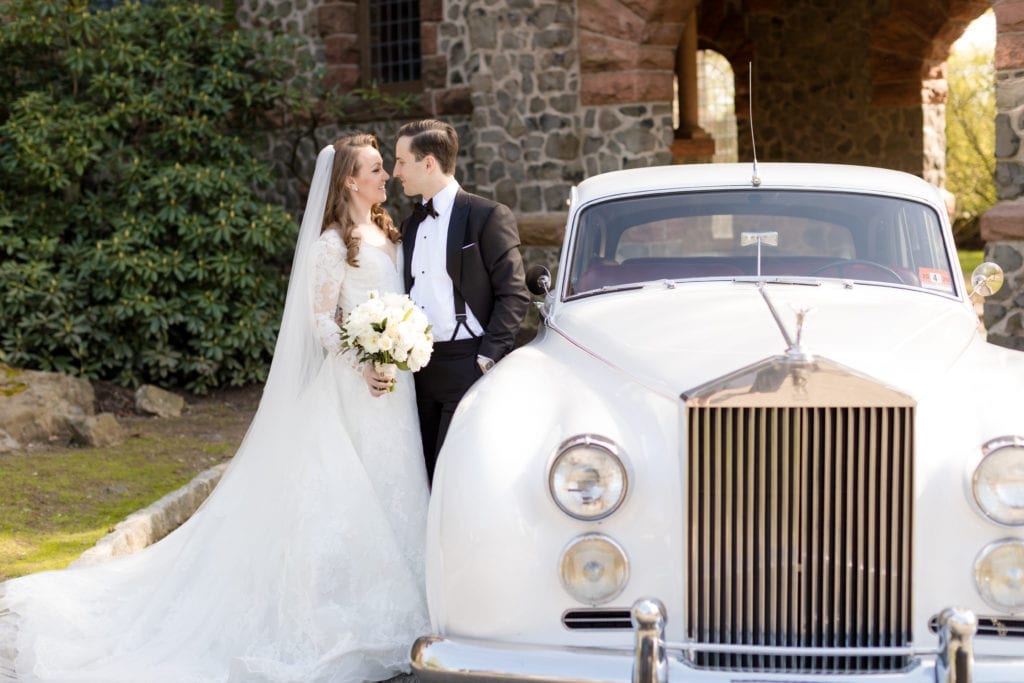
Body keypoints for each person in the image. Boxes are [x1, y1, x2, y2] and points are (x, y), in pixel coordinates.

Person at [0, 135, 430, 682]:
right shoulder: (329, 244)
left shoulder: (388, 230)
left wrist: (398, 346)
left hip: (392, 390)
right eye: (375, 168)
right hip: (352, 386)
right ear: (349, 180)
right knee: (348, 500)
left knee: (393, 484)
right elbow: (322, 320)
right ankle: (347, 608)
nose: (385, 176)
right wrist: (364, 355)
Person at [393, 119, 529, 483]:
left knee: (456, 477)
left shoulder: (486, 216)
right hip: (418, 373)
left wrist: (486, 359)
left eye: (401, 162)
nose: (395, 172)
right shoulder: (410, 226)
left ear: (428, 163)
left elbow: (514, 293)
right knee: (420, 476)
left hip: (468, 364)